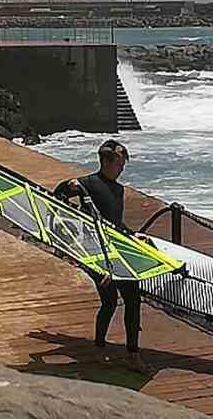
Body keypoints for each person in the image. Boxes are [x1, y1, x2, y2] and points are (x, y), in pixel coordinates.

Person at [53, 139, 151, 374]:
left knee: (133, 300)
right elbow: (56, 197)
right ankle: (98, 348)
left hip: (116, 251)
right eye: (120, 162)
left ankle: (133, 355)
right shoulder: (86, 184)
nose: (123, 167)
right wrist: (68, 190)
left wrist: (133, 235)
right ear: (107, 161)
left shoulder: (119, 189)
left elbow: (114, 222)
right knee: (109, 301)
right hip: (95, 254)